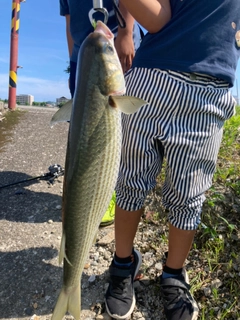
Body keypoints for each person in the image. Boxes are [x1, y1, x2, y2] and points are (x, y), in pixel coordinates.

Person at [104, 1, 240, 320]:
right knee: (130, 183)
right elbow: (157, 17)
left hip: (211, 90)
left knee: (188, 196)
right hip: (151, 79)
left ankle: (174, 274)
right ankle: (122, 264)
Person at [59, 0, 142, 226]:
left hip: (115, 47)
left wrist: (126, 33)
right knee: (83, 139)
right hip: (83, 57)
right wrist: (75, 61)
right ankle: (89, 196)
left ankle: (117, 194)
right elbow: (70, 23)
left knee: (125, 132)